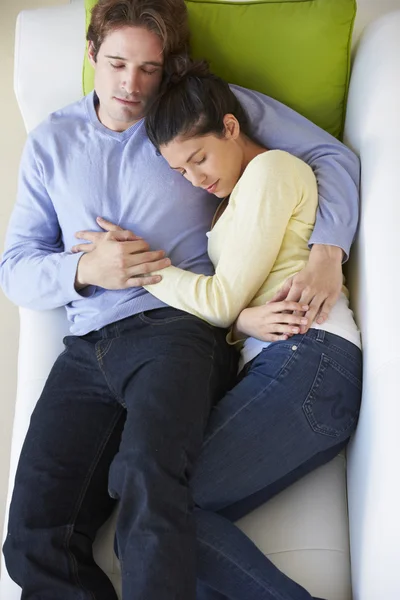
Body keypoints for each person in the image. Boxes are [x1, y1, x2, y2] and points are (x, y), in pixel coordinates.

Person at [0, 0, 360, 598]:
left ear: (169, 67)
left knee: (152, 494)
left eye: (149, 68)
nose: (131, 84)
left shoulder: (197, 110)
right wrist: (86, 267)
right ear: (92, 56)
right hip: (86, 345)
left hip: (179, 331)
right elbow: (14, 268)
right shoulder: (49, 143)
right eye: (116, 64)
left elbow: (329, 155)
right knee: (33, 537)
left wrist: (329, 252)